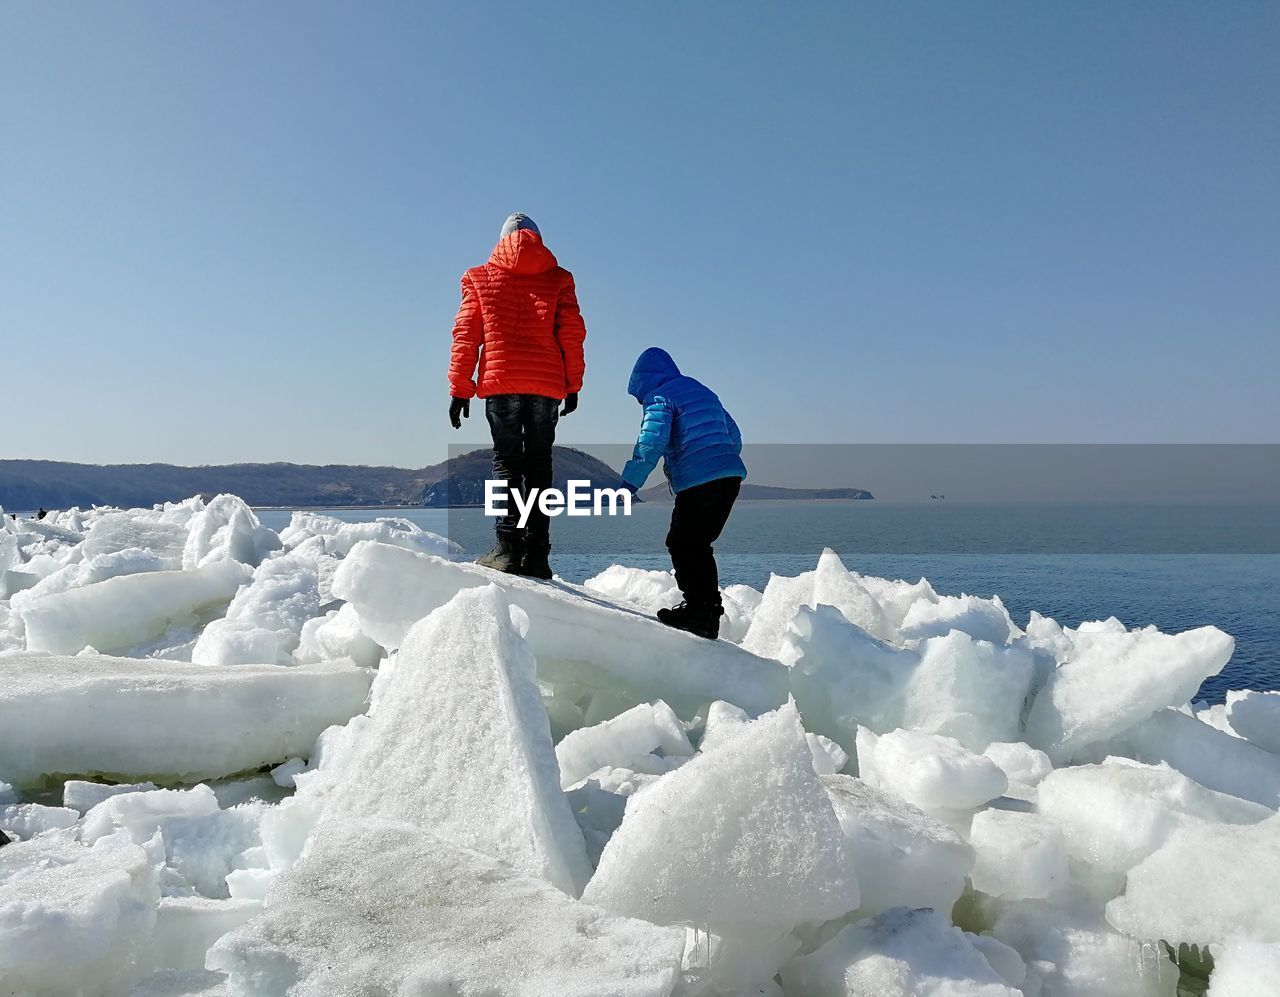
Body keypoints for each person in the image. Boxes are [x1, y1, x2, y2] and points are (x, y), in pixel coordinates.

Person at [448, 213, 587, 579]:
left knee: (507, 464)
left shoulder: (478, 276)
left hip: (501, 383)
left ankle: (508, 549)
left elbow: (466, 335)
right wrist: (573, 385)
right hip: (546, 387)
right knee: (540, 467)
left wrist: (460, 389)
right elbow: (571, 335)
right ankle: (538, 556)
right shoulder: (560, 279)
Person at [619, 347, 746, 638]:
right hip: (730, 477)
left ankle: (699, 612)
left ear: (643, 381)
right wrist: (721, 462)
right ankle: (707, 612)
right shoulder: (703, 392)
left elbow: (651, 442)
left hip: (698, 481)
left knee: (683, 543)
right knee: (698, 544)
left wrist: (630, 484)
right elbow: (734, 434)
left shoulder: (659, 397)